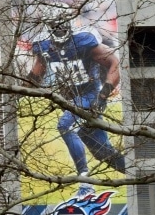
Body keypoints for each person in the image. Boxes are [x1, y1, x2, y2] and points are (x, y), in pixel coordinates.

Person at [26, 15, 126, 184]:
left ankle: (83, 176)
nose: (59, 29)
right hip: (69, 101)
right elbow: (35, 77)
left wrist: (103, 95)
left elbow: (115, 63)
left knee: (65, 125)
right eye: (54, 25)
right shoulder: (45, 46)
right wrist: (12, 90)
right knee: (102, 151)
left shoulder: (83, 40)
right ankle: (138, 174)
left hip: (90, 96)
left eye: (61, 24)